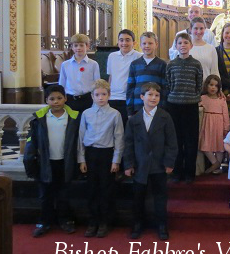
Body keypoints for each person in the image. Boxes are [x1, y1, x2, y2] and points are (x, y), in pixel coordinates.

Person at [123, 82, 178, 240]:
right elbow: (128, 143)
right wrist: (128, 164)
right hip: (140, 165)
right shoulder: (134, 119)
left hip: (159, 165)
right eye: (150, 94)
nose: (153, 98)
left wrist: (169, 162)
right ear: (142, 97)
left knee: (160, 197)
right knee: (138, 197)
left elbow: (171, 142)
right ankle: (137, 224)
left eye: (157, 95)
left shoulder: (165, 117)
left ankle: (161, 225)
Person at [23, 85, 80, 238]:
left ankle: (65, 220)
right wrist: (29, 162)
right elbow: (32, 141)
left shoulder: (74, 118)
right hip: (46, 164)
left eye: (59, 98)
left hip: (65, 162)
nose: (56, 102)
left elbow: (78, 142)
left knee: (63, 194)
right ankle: (44, 222)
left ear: (66, 99)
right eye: (52, 99)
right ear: (46, 100)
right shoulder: (39, 119)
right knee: (45, 195)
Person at [78, 79, 124, 238]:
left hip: (107, 155)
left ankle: (104, 221)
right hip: (90, 154)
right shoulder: (86, 114)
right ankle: (92, 221)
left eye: (104, 94)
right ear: (92, 96)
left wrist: (116, 160)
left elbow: (119, 138)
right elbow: (81, 137)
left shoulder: (115, 114)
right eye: (97, 95)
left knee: (106, 189)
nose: (100, 98)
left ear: (109, 95)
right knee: (92, 190)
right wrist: (82, 159)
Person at [166, 33, 203, 183]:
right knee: (176, 140)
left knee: (191, 141)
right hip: (174, 105)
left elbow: (199, 84)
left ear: (191, 45)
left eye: (185, 42)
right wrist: (174, 96)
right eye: (180, 43)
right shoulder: (171, 64)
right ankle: (177, 173)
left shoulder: (196, 64)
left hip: (191, 105)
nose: (183, 45)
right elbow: (168, 83)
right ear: (176, 46)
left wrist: (193, 97)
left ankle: (189, 173)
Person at [126, 32, 168, 117]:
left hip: (156, 107)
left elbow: (165, 88)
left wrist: (163, 108)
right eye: (144, 43)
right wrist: (130, 110)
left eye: (150, 43)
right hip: (138, 107)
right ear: (140, 45)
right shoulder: (134, 64)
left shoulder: (162, 64)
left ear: (156, 44)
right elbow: (130, 88)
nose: (147, 46)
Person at [107, 29, 142, 127]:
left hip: (128, 99)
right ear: (118, 42)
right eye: (121, 40)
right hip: (113, 98)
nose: (124, 43)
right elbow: (110, 77)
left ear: (134, 43)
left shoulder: (139, 57)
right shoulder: (112, 56)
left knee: (126, 128)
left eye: (127, 40)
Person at [58, 33, 100, 114]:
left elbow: (97, 84)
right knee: (72, 124)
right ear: (72, 47)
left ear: (87, 46)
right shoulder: (65, 65)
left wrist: (96, 100)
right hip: (70, 100)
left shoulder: (93, 64)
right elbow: (61, 84)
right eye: (76, 45)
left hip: (87, 99)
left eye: (81, 45)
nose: (78, 48)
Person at [199, 75, 230, 174]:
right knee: (205, 144)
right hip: (207, 123)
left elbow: (225, 114)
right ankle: (215, 162)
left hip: (219, 124)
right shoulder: (202, 98)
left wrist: (226, 127)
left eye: (216, 86)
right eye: (211, 85)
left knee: (219, 146)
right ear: (206, 85)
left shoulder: (222, 99)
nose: (213, 88)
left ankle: (217, 166)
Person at [189, 17, 220, 81]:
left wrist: (218, 89)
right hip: (189, 86)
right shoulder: (186, 48)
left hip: (206, 86)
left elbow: (215, 71)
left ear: (205, 29)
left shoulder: (211, 49)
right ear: (190, 29)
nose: (199, 31)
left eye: (201, 28)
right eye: (196, 28)